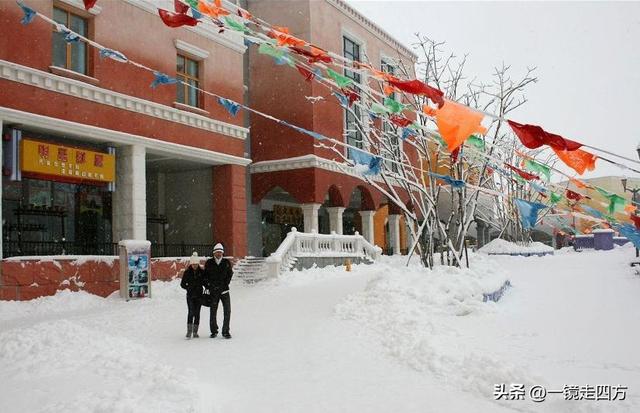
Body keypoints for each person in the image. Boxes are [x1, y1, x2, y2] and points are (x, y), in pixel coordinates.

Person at [204, 243, 233, 339]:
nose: (219, 254)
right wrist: (209, 286)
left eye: (220, 252)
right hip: (213, 291)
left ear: (222, 253)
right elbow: (206, 276)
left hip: (224, 291)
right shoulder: (209, 263)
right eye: (217, 252)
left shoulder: (226, 263)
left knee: (227, 311)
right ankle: (213, 330)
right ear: (214, 253)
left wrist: (226, 283)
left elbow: (230, 274)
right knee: (213, 311)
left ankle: (225, 331)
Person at [180, 252, 204, 339]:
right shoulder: (187, 272)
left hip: (199, 295)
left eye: (196, 264)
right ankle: (189, 331)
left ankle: (195, 332)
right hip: (190, 296)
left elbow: (205, 282)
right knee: (191, 312)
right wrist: (188, 288)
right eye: (193, 264)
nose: (195, 265)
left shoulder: (202, 272)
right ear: (191, 264)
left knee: (197, 313)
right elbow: (182, 284)